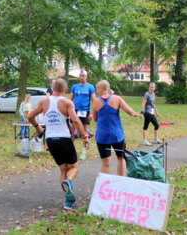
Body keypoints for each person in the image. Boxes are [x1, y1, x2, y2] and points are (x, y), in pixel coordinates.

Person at [28, 78, 90, 210]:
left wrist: (37, 128)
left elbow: (30, 116)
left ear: (53, 89)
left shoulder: (44, 102)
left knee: (63, 169)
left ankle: (68, 201)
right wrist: (85, 136)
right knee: (73, 167)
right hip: (64, 139)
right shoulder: (67, 102)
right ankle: (68, 183)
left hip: (50, 140)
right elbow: (76, 120)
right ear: (66, 90)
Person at [92, 80, 140, 176]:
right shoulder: (117, 99)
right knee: (121, 159)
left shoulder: (96, 101)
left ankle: (103, 187)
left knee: (105, 164)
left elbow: (95, 119)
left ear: (102, 89)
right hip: (117, 135)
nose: (96, 91)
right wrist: (136, 114)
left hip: (102, 136)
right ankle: (120, 183)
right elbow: (129, 111)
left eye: (97, 89)